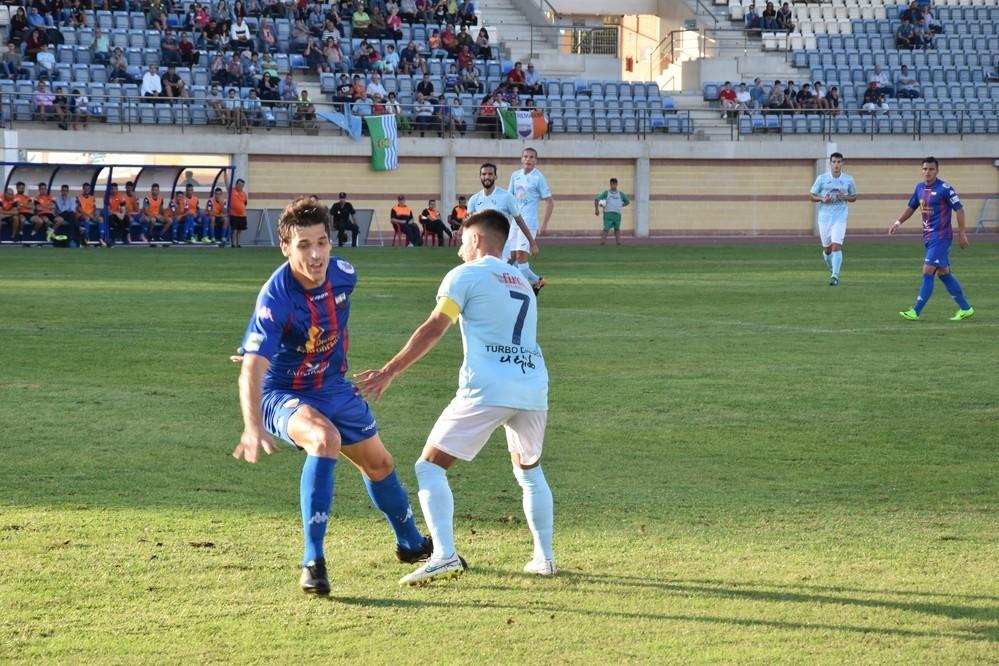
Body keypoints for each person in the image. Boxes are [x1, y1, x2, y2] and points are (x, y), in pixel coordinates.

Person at [231, 197, 432, 595]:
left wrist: (338, 364)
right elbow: (252, 369)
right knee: (325, 440)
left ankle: (410, 544)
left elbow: (339, 322)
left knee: (380, 464)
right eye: (304, 245)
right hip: (283, 392)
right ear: (285, 247)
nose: (315, 254)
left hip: (333, 386)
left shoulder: (344, 274)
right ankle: (313, 561)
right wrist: (252, 427)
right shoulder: (276, 297)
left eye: (321, 242)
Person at [355, 208, 554, 585]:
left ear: (476, 239)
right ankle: (544, 558)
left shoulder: (465, 275)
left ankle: (444, 555)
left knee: (429, 467)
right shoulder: (522, 280)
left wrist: (389, 371)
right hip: (532, 385)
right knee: (529, 471)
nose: (459, 248)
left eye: (462, 240)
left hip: (488, 388)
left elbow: (434, 326)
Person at [890, 157, 974, 321]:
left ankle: (915, 311)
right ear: (922, 171)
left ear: (937, 171)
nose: (927, 172)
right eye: (925, 169)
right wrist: (898, 222)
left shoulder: (945, 189)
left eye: (931, 169)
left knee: (928, 270)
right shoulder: (919, 188)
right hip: (928, 237)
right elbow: (912, 207)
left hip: (942, 237)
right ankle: (966, 308)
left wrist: (962, 233)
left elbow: (960, 210)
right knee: (944, 273)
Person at [507, 148, 552, 296]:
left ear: (535, 160)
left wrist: (544, 225)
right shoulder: (515, 176)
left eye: (532, 157)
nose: (528, 159)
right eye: (526, 156)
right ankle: (537, 280)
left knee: (521, 258)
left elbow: (550, 202)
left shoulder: (538, 178)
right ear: (521, 159)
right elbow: (509, 199)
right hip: (515, 222)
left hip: (529, 223)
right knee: (510, 258)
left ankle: (524, 291)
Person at [809, 153, 857, 286]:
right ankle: (832, 268)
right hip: (824, 218)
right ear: (830, 163)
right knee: (827, 250)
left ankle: (835, 276)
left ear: (842, 164)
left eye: (839, 162)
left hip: (840, 217)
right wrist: (822, 199)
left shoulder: (848, 180)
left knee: (836, 246)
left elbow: (854, 197)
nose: (836, 164)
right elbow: (812, 196)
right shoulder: (822, 179)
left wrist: (845, 198)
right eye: (834, 162)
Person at [594, 178, 630, 246]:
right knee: (606, 229)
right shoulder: (606, 193)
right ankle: (602, 243)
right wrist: (596, 210)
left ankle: (618, 243)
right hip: (608, 213)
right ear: (610, 184)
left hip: (617, 214)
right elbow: (596, 199)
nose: (613, 186)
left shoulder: (620, 194)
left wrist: (620, 205)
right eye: (611, 184)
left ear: (617, 184)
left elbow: (627, 202)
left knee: (617, 229)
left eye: (614, 184)